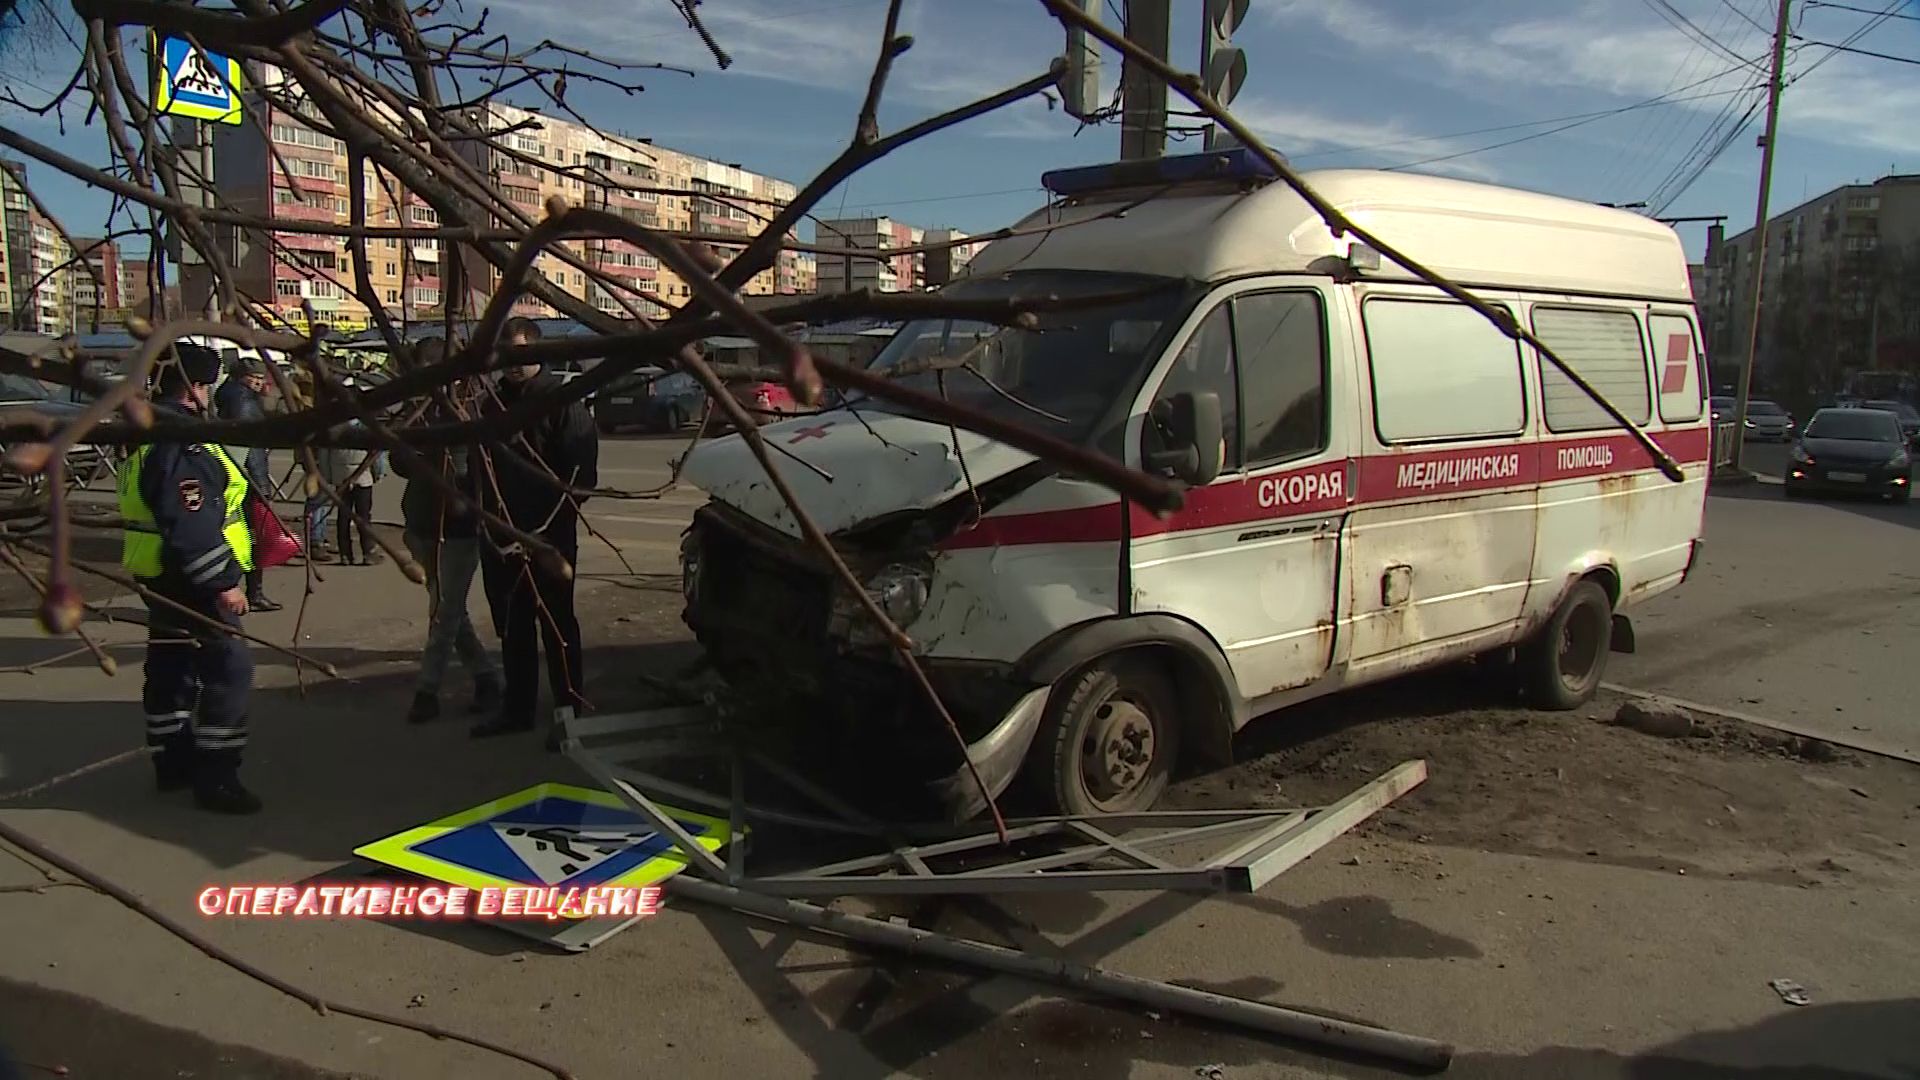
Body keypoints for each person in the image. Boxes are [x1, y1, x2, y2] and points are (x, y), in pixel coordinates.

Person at [118, 343, 262, 814]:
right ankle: (217, 775)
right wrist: (224, 581)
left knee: (171, 664)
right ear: (197, 387)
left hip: (159, 571)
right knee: (229, 666)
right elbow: (192, 520)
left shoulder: (148, 428)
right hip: (191, 576)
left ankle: (173, 762)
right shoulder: (182, 438)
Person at [472, 316, 598, 740]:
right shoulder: (490, 404)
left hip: (548, 538)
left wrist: (546, 532)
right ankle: (518, 709)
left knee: (558, 626)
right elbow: (478, 468)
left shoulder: (561, 401)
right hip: (499, 536)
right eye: (505, 356)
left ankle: (569, 714)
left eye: (521, 355)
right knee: (513, 626)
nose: (512, 364)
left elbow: (580, 476)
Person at [394, 338, 501, 723]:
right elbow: (399, 463)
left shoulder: (468, 412)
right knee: (449, 612)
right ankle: (487, 679)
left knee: (444, 612)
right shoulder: (415, 410)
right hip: (422, 523)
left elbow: (473, 473)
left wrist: (449, 477)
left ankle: (427, 690)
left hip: (457, 528)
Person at [213, 357, 283, 611]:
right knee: (251, 539)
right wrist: (261, 486)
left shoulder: (230, 396)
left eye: (261, 377)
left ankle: (241, 590)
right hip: (245, 481)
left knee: (235, 537)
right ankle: (253, 592)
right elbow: (249, 448)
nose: (258, 381)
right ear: (241, 377)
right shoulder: (243, 401)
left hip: (232, 478)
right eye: (253, 376)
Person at [325, 421, 386, 565]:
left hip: (340, 475)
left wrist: (329, 476)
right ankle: (368, 552)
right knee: (363, 516)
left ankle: (345, 554)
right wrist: (378, 473)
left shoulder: (333, 428)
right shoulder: (365, 428)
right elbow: (377, 455)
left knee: (343, 517)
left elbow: (324, 453)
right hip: (362, 476)